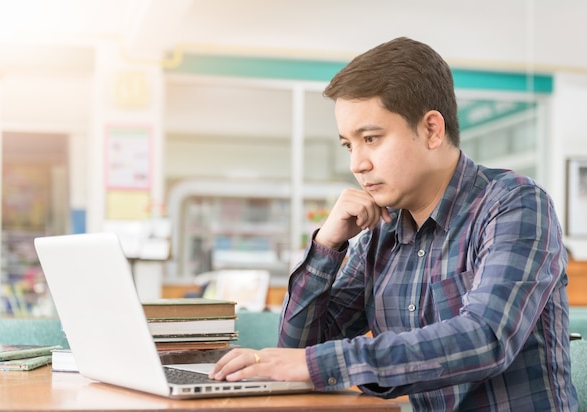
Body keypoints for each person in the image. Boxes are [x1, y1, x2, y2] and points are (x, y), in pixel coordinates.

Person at [209, 37, 578, 411]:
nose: (357, 163)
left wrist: (313, 364)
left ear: (432, 130)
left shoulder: (515, 203)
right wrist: (327, 246)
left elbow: (485, 339)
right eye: (348, 145)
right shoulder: (379, 233)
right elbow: (297, 352)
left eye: (371, 138)